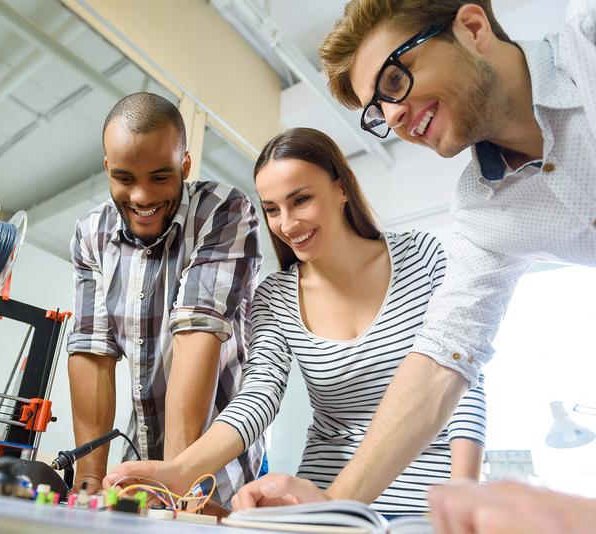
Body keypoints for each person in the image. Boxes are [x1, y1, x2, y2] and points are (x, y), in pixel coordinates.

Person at [230, 0, 596, 530]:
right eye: (378, 110)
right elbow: (446, 357)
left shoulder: (586, 42)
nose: (394, 115)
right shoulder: (482, 211)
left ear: (471, 28)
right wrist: (334, 507)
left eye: (394, 79)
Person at [104, 127, 486, 516]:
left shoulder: (421, 256)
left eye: (300, 200)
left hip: (430, 498)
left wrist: (465, 493)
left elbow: (463, 377)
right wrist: (181, 470)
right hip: (322, 499)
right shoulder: (276, 295)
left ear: (341, 188)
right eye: (272, 209)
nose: (287, 225)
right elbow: (258, 397)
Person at [66, 92, 264, 508]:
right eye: (124, 178)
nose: (140, 196)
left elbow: (198, 333)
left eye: (160, 177)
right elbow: (91, 349)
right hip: (135, 460)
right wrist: (87, 479)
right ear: (107, 168)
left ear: (185, 165)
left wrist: (178, 479)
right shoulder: (90, 233)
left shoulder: (223, 211)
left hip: (217, 471)